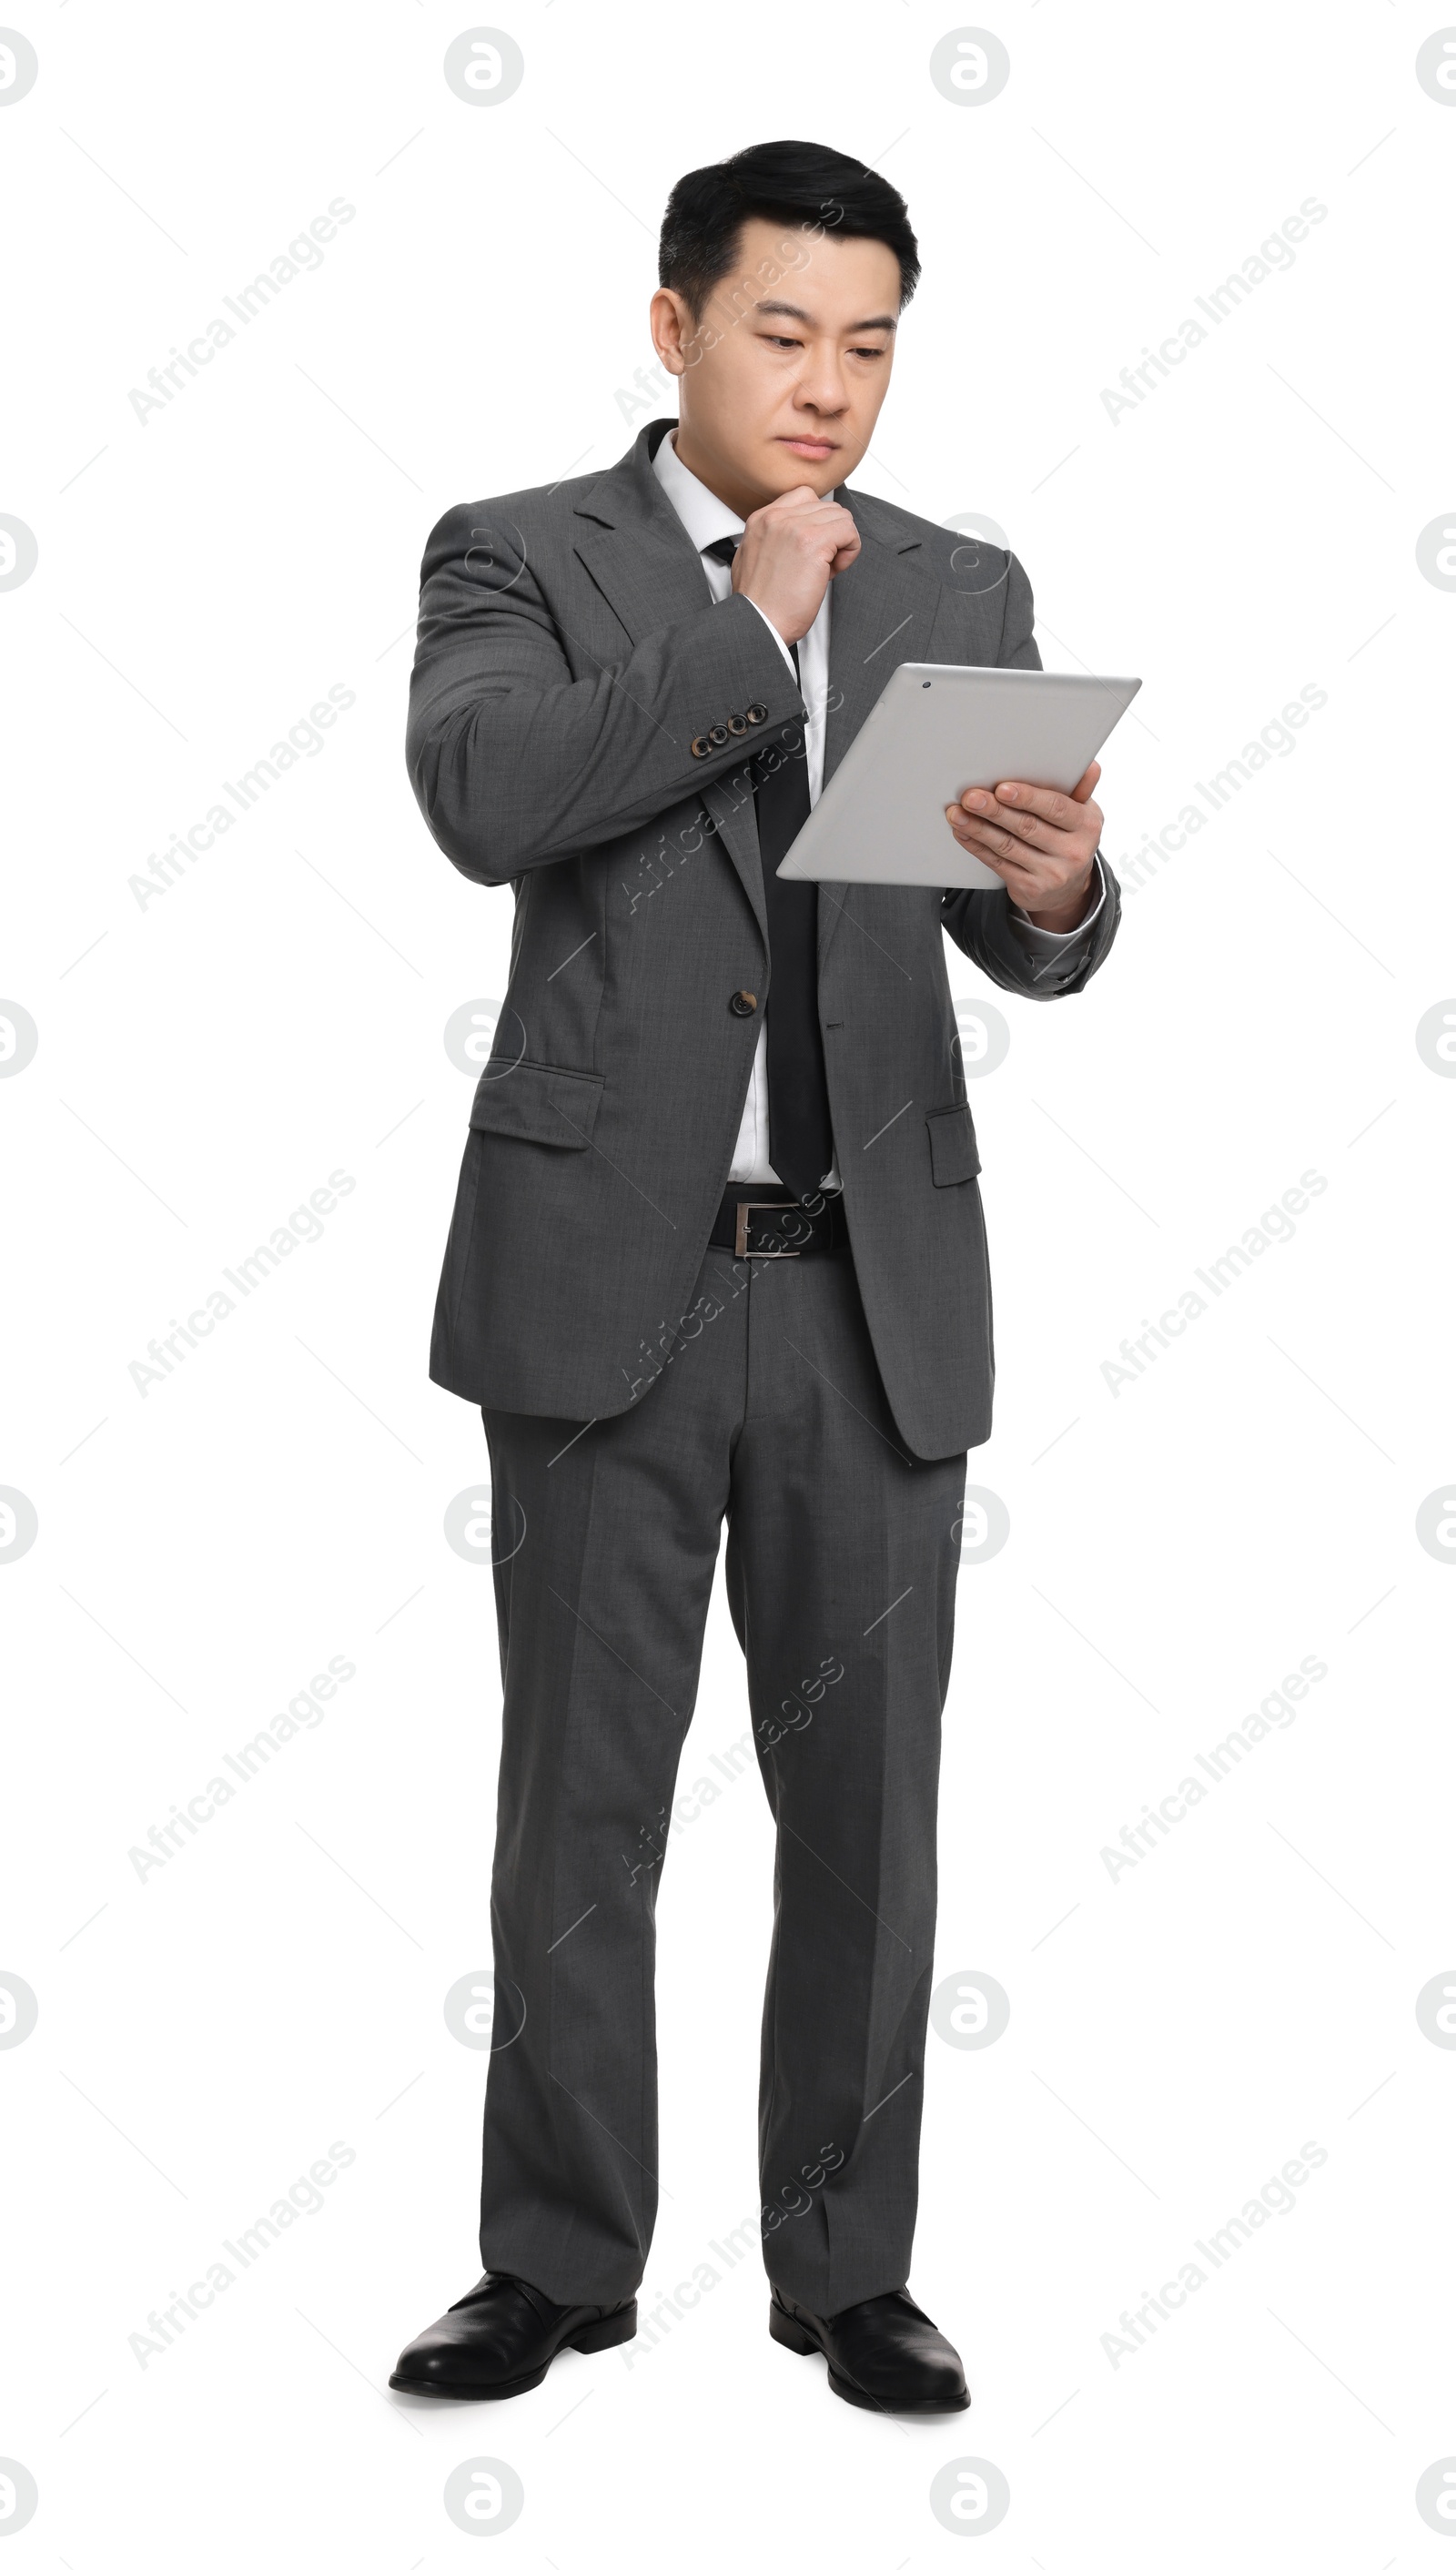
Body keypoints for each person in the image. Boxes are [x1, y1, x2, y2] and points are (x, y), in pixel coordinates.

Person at [390, 139, 1118, 2415]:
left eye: (871, 343)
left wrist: (1064, 886)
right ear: (672, 327)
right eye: (783, 333)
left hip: (864, 1298)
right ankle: (551, 2257)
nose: (828, 388)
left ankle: (847, 2268)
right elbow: (490, 797)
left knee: (869, 1822)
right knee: (578, 1814)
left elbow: (1011, 936)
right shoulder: (521, 553)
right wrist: (756, 627)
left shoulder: (964, 581)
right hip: (610, 1282)